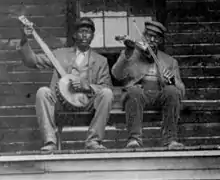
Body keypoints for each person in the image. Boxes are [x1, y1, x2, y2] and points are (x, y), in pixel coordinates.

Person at [19, 17, 113, 151]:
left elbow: (106, 86)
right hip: (61, 104)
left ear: (93, 36)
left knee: (107, 94)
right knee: (43, 92)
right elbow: (32, 61)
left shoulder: (101, 61)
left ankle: (93, 141)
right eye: (81, 31)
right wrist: (24, 39)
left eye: (88, 32)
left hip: (87, 104)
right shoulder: (60, 54)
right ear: (74, 35)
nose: (85, 35)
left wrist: (87, 87)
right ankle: (50, 142)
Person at [112, 19, 185, 150]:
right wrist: (128, 51)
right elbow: (116, 74)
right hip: (138, 96)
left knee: (172, 91)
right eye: (148, 36)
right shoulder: (131, 54)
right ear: (143, 37)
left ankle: (170, 140)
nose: (151, 40)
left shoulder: (170, 61)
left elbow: (182, 91)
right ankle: (134, 139)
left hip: (159, 97)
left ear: (161, 41)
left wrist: (173, 81)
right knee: (134, 91)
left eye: (155, 37)